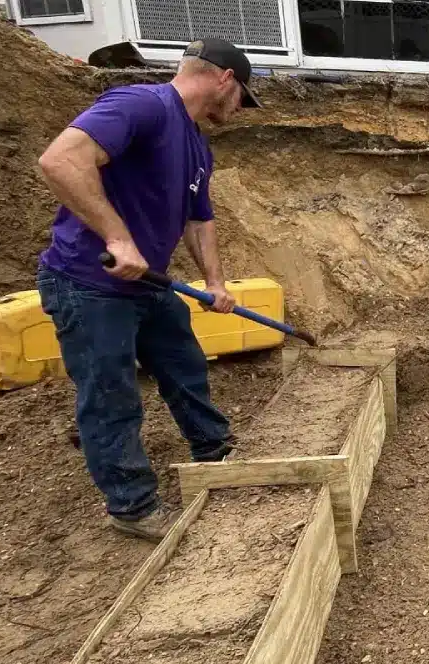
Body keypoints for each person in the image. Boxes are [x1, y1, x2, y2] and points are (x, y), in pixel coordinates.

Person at [34, 39, 261, 540]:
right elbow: (61, 161)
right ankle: (133, 507)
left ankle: (214, 450)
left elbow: (200, 222)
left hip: (147, 287)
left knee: (184, 364)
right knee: (111, 395)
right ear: (224, 79)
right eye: (243, 95)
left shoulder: (198, 145)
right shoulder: (142, 105)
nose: (241, 108)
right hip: (90, 283)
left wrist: (217, 283)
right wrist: (118, 237)